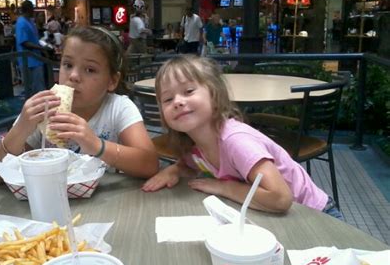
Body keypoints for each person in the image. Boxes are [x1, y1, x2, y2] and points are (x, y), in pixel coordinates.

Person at [142, 55, 343, 219]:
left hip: (316, 216)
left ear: (214, 94)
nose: (177, 101)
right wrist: (174, 171)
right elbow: (191, 164)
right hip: (276, 218)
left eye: (188, 91)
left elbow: (281, 198)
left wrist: (223, 187)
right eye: (168, 99)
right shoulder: (193, 143)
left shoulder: (236, 141)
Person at [0, 26, 159, 186]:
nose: (74, 76)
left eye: (90, 69)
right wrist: (21, 128)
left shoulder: (118, 107)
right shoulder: (44, 110)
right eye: (67, 65)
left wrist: (96, 145)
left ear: (112, 81)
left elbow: (150, 164)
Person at [15, 0, 49, 94]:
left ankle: (42, 107)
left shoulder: (30, 22)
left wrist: (43, 48)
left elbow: (34, 39)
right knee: (32, 89)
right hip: (28, 62)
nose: (34, 11)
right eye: (32, 9)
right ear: (28, 9)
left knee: (40, 86)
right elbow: (24, 42)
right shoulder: (21, 23)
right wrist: (42, 48)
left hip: (36, 60)